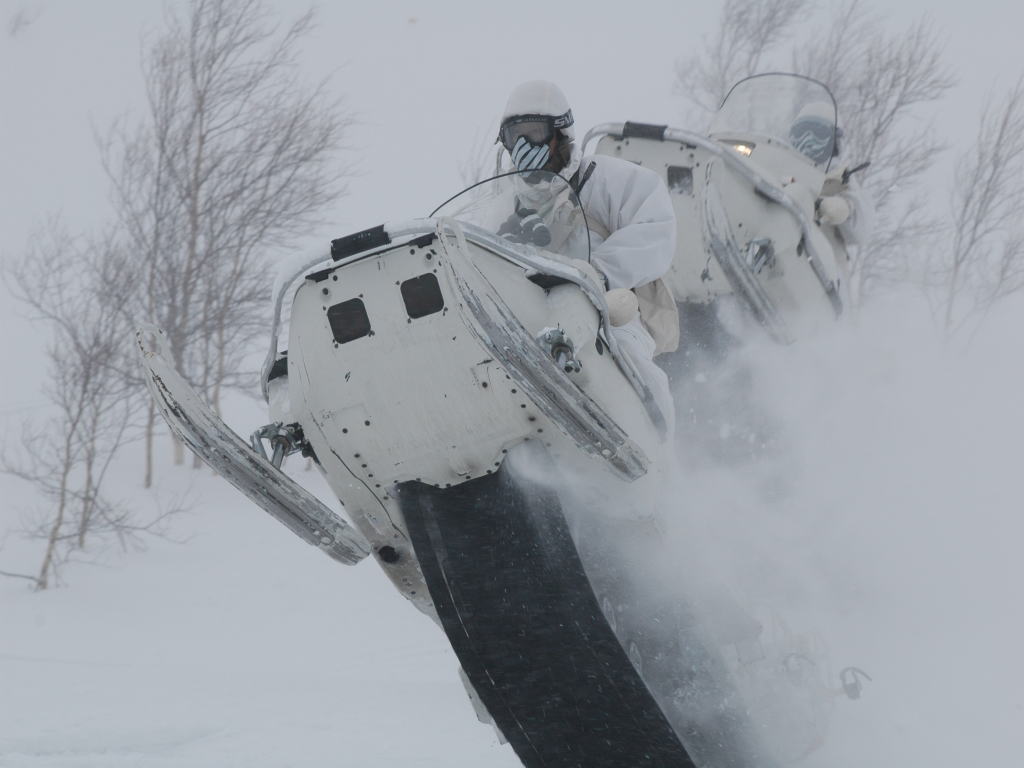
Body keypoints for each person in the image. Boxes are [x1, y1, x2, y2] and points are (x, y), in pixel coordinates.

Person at [497, 80, 678, 436]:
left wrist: (595, 274)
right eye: (514, 137)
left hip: (612, 313)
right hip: (529, 321)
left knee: (636, 368)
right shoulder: (507, 205)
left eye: (533, 133)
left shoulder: (607, 180)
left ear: (559, 132)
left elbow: (655, 227)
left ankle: (656, 449)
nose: (523, 146)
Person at [788, 101, 874, 247]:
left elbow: (863, 229)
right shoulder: (784, 170)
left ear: (834, 141)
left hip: (816, 261)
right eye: (802, 134)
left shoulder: (842, 180)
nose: (808, 141)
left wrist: (846, 208)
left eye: (818, 134)